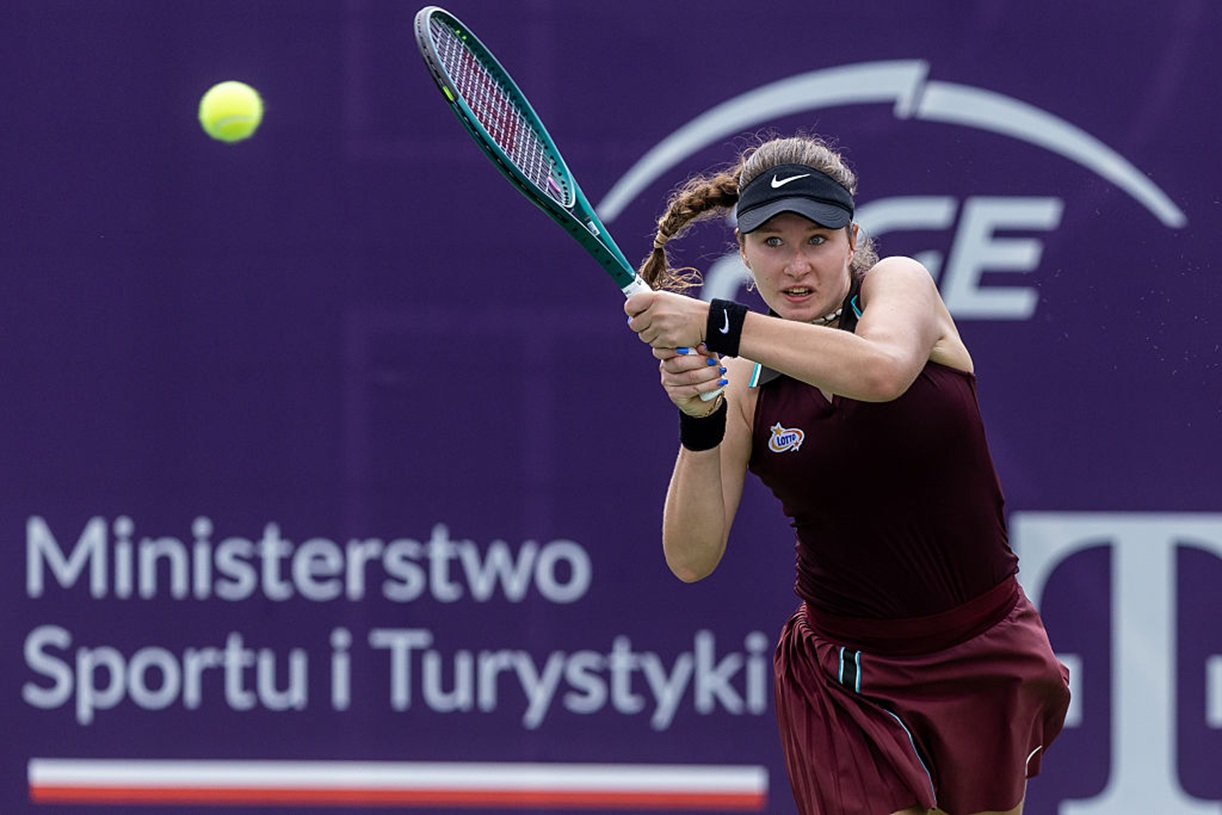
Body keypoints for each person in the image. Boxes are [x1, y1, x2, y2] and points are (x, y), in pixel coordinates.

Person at [623, 134, 1071, 815]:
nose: (795, 265)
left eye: (817, 239)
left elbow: (881, 371)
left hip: (984, 646)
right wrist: (698, 416)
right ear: (742, 250)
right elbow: (691, 556)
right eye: (771, 242)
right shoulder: (745, 380)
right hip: (847, 674)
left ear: (852, 238)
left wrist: (716, 322)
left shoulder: (901, 287)